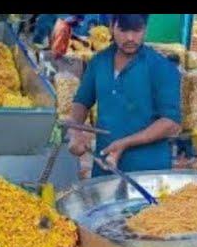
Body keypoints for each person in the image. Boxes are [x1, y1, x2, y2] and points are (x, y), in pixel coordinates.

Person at [67, 14, 181, 177]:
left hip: (147, 172)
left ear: (145, 29)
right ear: (112, 26)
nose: (130, 38)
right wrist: (75, 131)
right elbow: (81, 102)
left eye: (137, 31)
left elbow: (170, 123)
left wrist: (125, 143)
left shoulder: (161, 67)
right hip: (105, 168)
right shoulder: (99, 62)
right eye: (123, 30)